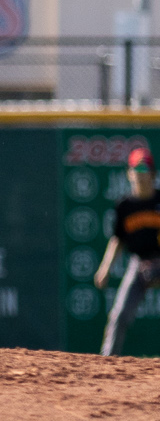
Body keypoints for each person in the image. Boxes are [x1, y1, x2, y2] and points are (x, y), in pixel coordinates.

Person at [94, 145, 160, 357]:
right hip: (139, 265)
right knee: (119, 315)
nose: (140, 176)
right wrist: (105, 268)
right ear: (129, 174)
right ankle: (107, 362)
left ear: (153, 174)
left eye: (144, 170)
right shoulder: (125, 206)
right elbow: (117, 241)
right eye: (136, 170)